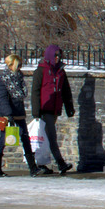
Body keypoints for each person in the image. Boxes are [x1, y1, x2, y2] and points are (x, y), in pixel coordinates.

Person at [32, 43, 75, 175]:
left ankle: (41, 163)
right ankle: (60, 163)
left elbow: (66, 91)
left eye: (59, 55)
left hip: (55, 108)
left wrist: (69, 108)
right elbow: (36, 91)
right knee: (51, 136)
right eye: (55, 55)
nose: (57, 58)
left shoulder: (60, 71)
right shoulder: (41, 70)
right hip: (45, 109)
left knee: (45, 137)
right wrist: (36, 111)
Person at [0, 54, 38, 177]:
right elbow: (2, 99)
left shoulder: (19, 77)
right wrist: (8, 115)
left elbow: (22, 95)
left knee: (25, 138)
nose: (20, 68)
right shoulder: (3, 80)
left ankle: (33, 168)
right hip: (8, 115)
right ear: (11, 65)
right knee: (3, 140)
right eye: (18, 65)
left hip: (19, 113)